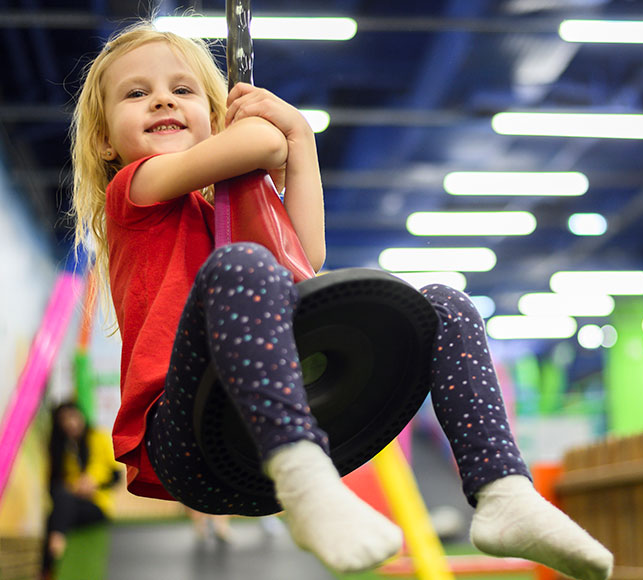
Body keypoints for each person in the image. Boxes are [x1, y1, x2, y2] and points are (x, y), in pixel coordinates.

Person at [69, 22, 613, 578]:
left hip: (255, 431)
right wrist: (263, 133)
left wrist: (300, 140)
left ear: (210, 115)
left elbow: (305, 256)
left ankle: (503, 491)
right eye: (136, 93)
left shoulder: (224, 217)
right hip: (187, 435)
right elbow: (256, 145)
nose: (161, 98)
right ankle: (306, 481)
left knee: (445, 305)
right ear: (106, 141)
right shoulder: (134, 192)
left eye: (182, 90)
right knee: (239, 266)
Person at [41, 402, 121, 579]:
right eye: (64, 420)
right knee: (62, 498)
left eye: (73, 417)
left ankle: (53, 551)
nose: (70, 423)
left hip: (97, 504)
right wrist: (74, 488)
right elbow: (53, 487)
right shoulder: (60, 448)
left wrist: (94, 484)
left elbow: (116, 477)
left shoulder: (99, 437)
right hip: (70, 503)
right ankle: (54, 549)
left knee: (56, 513)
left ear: (81, 416)